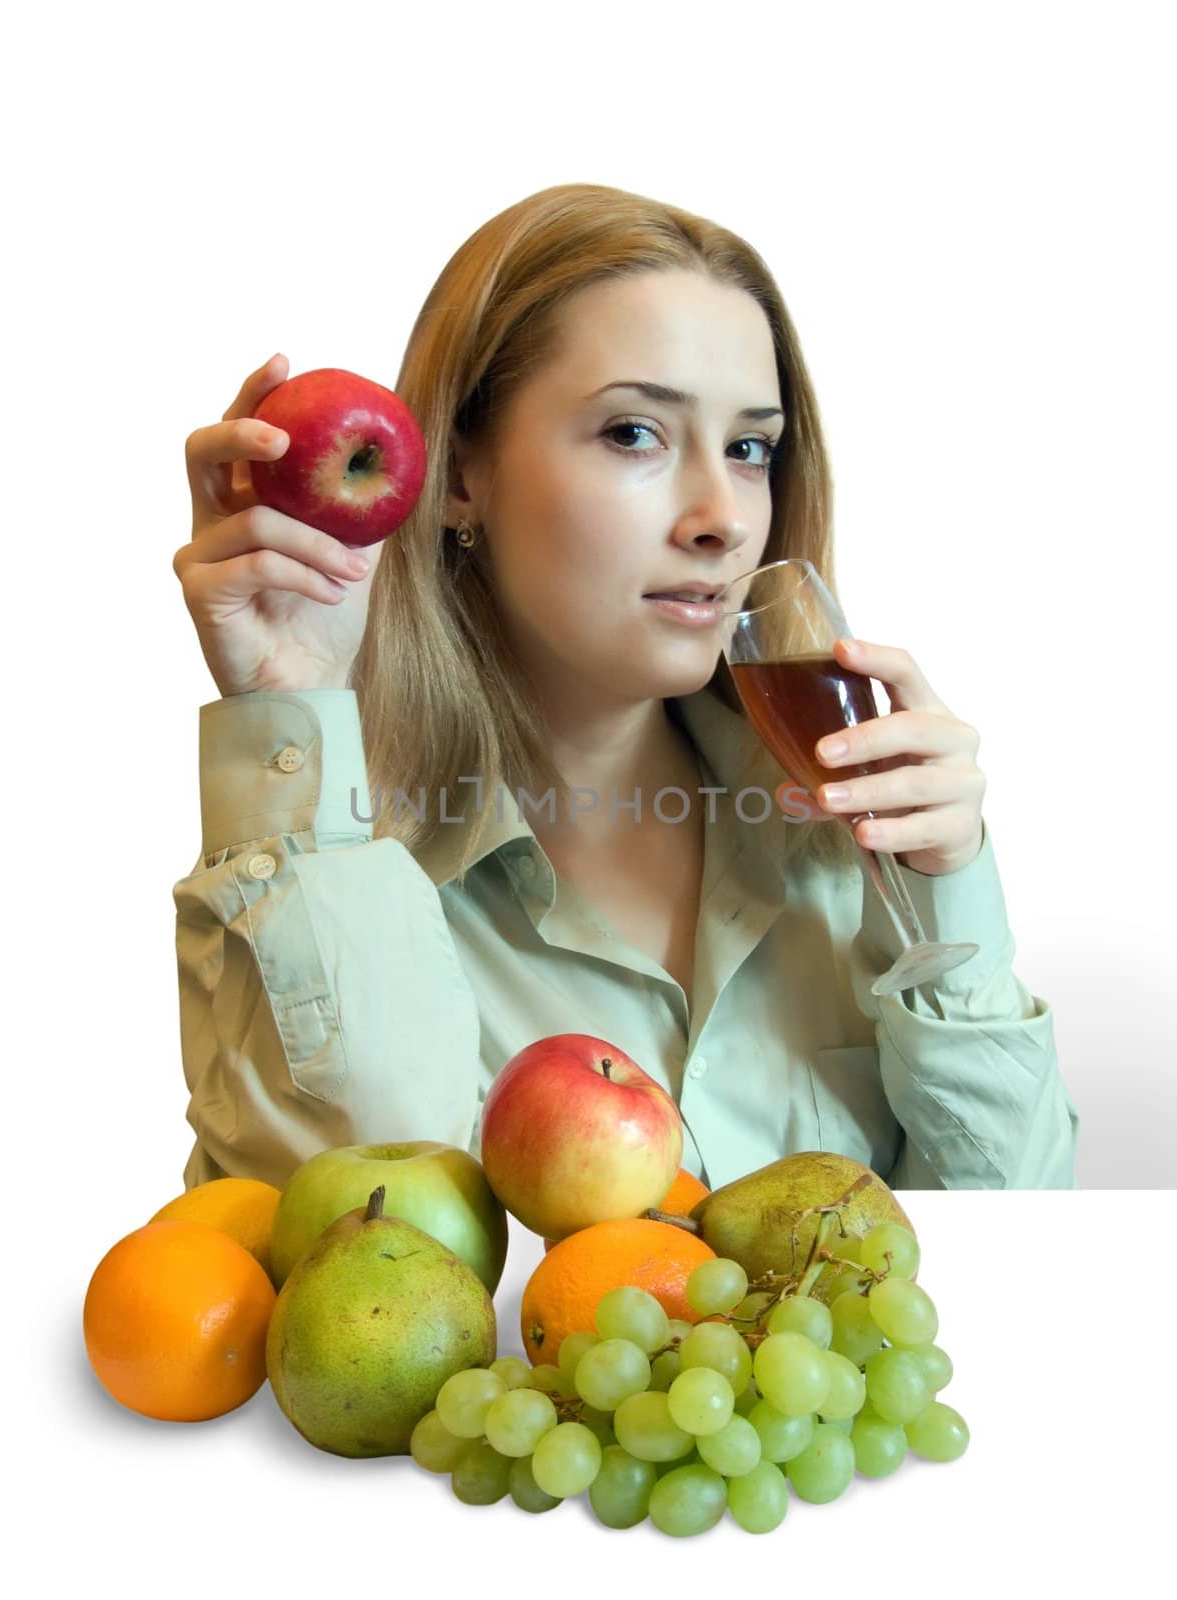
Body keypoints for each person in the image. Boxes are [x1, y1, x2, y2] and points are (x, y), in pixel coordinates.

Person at [171, 181, 1079, 1194]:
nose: (722, 518)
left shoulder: (843, 848)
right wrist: (287, 704)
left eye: (749, 448)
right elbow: (352, 1251)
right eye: (635, 433)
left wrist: (945, 902)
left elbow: (1024, 1252)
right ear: (459, 473)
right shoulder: (344, 868)